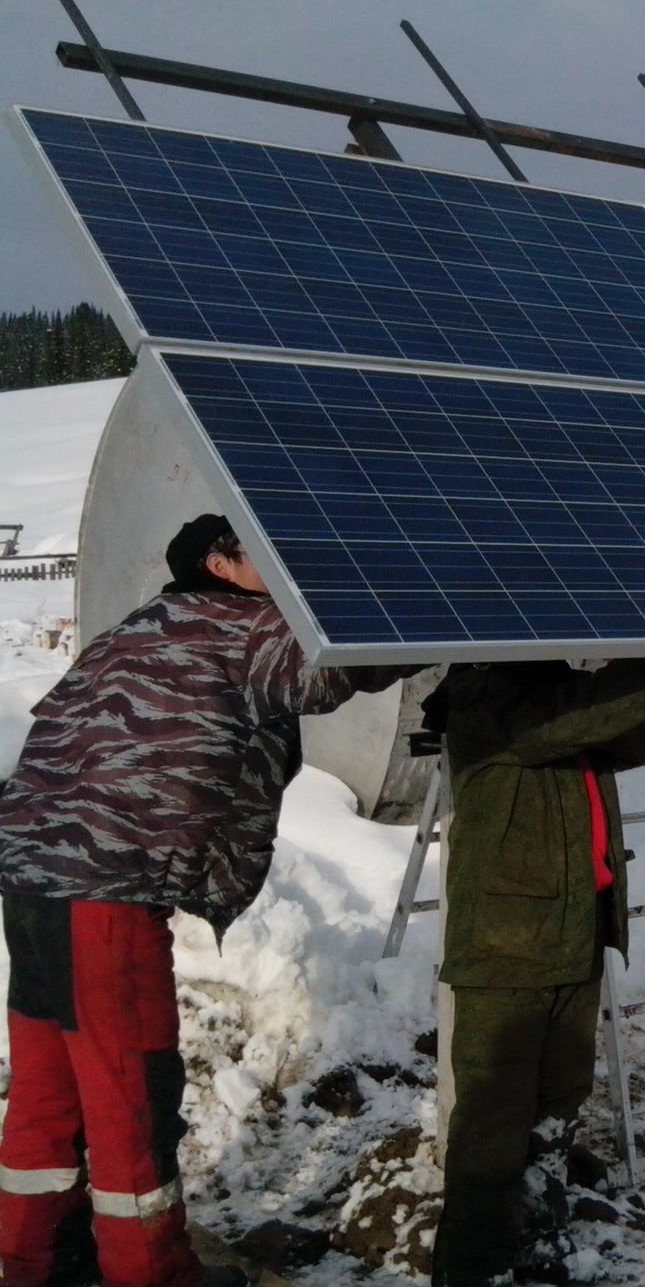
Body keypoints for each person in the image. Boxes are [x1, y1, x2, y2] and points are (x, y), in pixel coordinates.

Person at [0, 514, 417, 1287]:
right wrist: (419, 608)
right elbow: (326, 669)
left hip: (30, 876)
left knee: (48, 1087)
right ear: (220, 566)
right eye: (261, 549)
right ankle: (148, 1272)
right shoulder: (244, 625)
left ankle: (28, 1259)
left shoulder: (140, 627)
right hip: (107, 891)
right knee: (131, 1090)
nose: (285, 561)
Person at [424, 657, 645, 1287]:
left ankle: (538, 1234)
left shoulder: (562, 700)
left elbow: (631, 736)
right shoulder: (483, 695)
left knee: (559, 1098)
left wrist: (642, 681)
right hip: (505, 948)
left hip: (575, 932)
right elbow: (560, 725)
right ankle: (474, 1269)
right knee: (492, 1121)